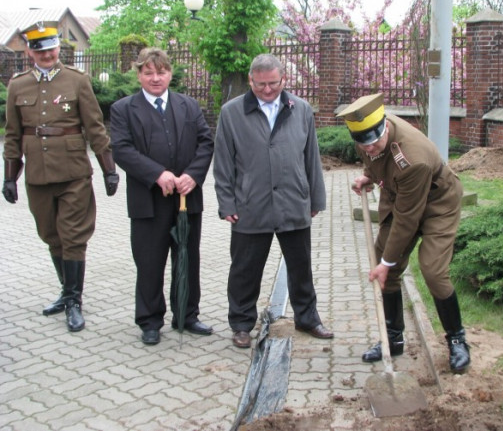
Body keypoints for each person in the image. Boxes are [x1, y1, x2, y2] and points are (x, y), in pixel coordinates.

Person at [338, 93, 471, 374]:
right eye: (364, 143)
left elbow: (408, 219)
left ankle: (457, 339)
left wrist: (387, 263)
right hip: (399, 196)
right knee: (384, 262)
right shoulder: (366, 132)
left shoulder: (413, 157)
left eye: (375, 142)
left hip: (438, 203)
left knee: (432, 270)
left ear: (386, 126)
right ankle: (393, 338)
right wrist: (369, 176)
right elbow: (375, 160)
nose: (370, 148)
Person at [2, 21, 119, 333]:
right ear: (30, 51)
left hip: (74, 173)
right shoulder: (17, 85)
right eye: (40, 50)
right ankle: (66, 292)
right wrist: (10, 176)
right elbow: (13, 135)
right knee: (50, 235)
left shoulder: (77, 81)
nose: (47, 54)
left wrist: (110, 169)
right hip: (38, 176)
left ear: (58, 47)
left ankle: (73, 301)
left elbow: (95, 127)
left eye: (52, 48)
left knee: (73, 235)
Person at [213, 53, 333, 349]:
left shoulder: (301, 109)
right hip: (250, 205)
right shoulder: (231, 113)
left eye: (273, 84)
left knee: (301, 267)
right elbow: (223, 163)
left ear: (283, 79)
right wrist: (226, 203)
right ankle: (241, 323)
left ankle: (308, 317)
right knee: (244, 269)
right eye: (260, 85)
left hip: (294, 201)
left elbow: (311, 157)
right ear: (251, 80)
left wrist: (316, 197)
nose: (267, 91)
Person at [110, 48, 214, 346]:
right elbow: (122, 149)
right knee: (149, 262)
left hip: (185, 199)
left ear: (170, 73)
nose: (156, 78)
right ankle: (150, 320)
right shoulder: (123, 109)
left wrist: (193, 175)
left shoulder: (189, 106)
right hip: (148, 201)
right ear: (139, 74)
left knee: (187, 258)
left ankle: (187, 315)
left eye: (161, 72)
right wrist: (157, 174)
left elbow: (206, 143)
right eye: (148, 73)